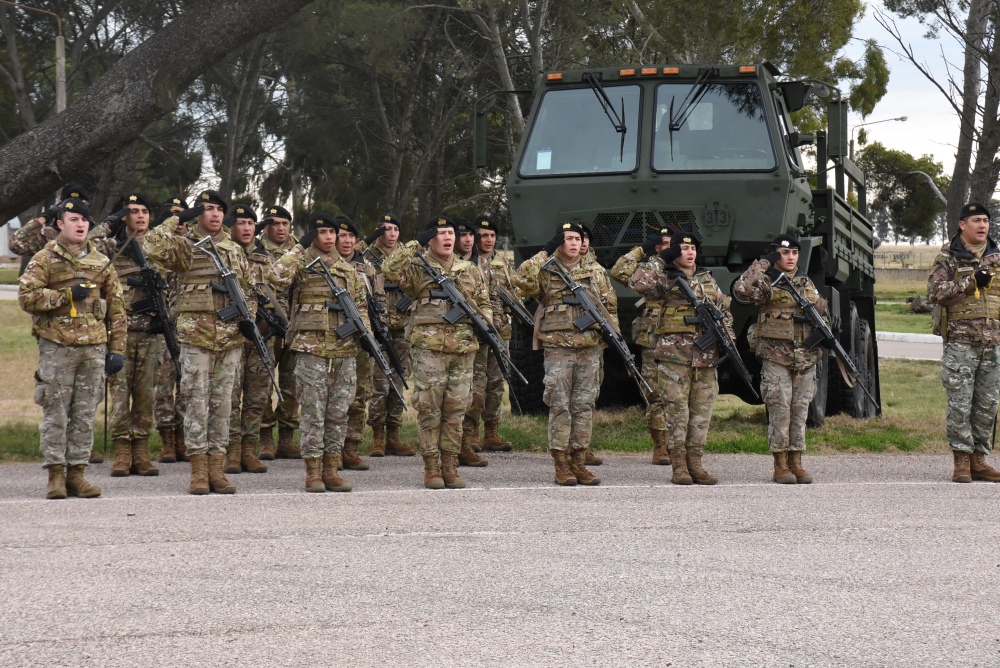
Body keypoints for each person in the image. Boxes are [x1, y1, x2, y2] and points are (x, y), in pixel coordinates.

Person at [145, 190, 257, 495]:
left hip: (229, 339)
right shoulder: (185, 247)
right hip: (196, 338)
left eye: (219, 209)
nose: (215, 214)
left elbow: (249, 290)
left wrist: (249, 320)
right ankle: (197, 472)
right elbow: (150, 245)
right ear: (198, 214)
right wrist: (175, 220)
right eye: (207, 209)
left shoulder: (234, 250)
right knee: (196, 404)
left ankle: (216, 470)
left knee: (223, 407)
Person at [18, 198, 127, 499]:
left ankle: (77, 473)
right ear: (60, 224)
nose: (81, 225)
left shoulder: (101, 261)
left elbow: (117, 309)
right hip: (57, 348)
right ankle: (55, 475)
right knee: (56, 413)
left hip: (93, 350)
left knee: (84, 413)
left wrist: (116, 350)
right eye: (74, 219)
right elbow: (27, 298)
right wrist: (66, 295)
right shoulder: (45, 258)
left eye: (85, 220)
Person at [383, 216, 493, 489]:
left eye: (450, 233)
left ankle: (450, 466)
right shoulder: (418, 267)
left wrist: (486, 321)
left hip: (463, 349)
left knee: (456, 409)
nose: (447, 238)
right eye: (440, 233)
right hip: (429, 350)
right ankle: (432, 468)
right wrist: (415, 243)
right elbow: (389, 268)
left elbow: (484, 301)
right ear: (430, 237)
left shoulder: (469, 269)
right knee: (429, 409)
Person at [268, 212, 369, 492]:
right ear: (313, 234)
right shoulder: (301, 265)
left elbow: (361, 308)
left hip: (343, 351)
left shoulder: (349, 271)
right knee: (313, 412)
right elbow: (274, 275)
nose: (328, 237)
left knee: (338, 413)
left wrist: (367, 337)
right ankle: (313, 472)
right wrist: (299, 247)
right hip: (311, 350)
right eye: (321, 232)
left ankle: (331, 469)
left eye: (331, 232)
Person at [516, 221, 617, 486]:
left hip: (589, 347)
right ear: (559, 242)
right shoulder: (546, 269)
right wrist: (544, 252)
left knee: (584, 406)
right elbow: (521, 279)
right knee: (559, 406)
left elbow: (610, 307)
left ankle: (579, 462)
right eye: (568, 238)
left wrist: (606, 339)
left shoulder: (595, 271)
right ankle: (561, 465)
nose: (574, 243)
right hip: (558, 347)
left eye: (577, 238)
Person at [629, 231, 730, 485]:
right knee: (677, 414)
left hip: (705, 359)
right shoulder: (663, 279)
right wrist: (662, 259)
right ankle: (678, 467)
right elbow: (637, 283)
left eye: (693, 247)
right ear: (675, 252)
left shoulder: (707, 279)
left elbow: (724, 309)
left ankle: (695, 464)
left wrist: (726, 337)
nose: (690, 251)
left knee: (701, 415)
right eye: (684, 248)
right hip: (674, 358)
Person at [733, 234, 828, 484]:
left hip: (804, 358)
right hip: (776, 356)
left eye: (794, 253)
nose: (790, 257)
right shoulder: (767, 283)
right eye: (785, 253)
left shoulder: (807, 284)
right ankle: (780, 465)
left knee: (800, 410)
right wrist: (763, 263)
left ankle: (796, 461)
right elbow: (742, 290)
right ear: (777, 254)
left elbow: (821, 313)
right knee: (779, 408)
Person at [91, 193, 164, 477]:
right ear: (124, 216)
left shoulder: (160, 245)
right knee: (119, 394)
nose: (141, 216)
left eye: (145, 210)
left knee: (145, 394)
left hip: (151, 331)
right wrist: (109, 224)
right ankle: (122, 450)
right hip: (120, 332)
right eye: (133, 211)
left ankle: (141, 451)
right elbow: (88, 244)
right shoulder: (111, 246)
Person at [928, 202, 1000, 483]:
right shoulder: (948, 257)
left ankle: (979, 461)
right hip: (960, 343)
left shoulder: (996, 257)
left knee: (987, 405)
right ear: (962, 225)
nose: (983, 226)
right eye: (976, 221)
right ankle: (961, 461)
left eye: (986, 221)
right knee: (960, 404)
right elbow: (935, 293)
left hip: (992, 344)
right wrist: (971, 282)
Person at [611, 228, 672, 464]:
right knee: (655, 394)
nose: (669, 247)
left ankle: (681, 445)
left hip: (683, 342)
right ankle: (660, 447)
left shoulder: (689, 270)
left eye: (672, 243)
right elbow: (618, 271)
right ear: (657, 248)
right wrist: (641, 250)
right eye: (664, 244)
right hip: (654, 341)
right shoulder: (648, 272)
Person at [358, 214, 416, 457]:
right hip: (379, 327)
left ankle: (394, 434)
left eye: (395, 229)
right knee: (380, 383)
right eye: (385, 229)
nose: (391, 234)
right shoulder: (366, 255)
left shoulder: (409, 256)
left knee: (400, 379)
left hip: (402, 327)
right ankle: (378, 437)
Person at [224, 204, 270, 475]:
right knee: (231, 396)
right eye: (241, 223)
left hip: (261, 337)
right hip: (231, 336)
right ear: (231, 227)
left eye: (250, 223)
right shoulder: (222, 254)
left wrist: (272, 322)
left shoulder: (266, 259)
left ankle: (249, 450)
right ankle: (231, 451)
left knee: (257, 396)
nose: (246, 228)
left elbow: (279, 292)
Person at [255, 205, 300, 460]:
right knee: (263, 383)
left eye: (284, 223)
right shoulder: (256, 250)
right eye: (274, 224)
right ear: (266, 227)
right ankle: (264, 439)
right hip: (267, 327)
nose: (280, 228)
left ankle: (286, 438)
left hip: (295, 325)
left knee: (292, 384)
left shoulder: (301, 250)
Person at [469, 215, 516, 453]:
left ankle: (492, 432)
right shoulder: (468, 261)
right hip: (477, 333)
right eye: (483, 235)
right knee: (476, 384)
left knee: (496, 383)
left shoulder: (503, 263)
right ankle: (472, 433)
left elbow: (512, 293)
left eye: (492, 236)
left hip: (501, 331)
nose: (488, 240)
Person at [335, 215, 376, 471]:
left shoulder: (367, 268)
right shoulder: (324, 265)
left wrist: (374, 334)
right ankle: (333, 448)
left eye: (351, 236)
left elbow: (376, 303)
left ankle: (351, 447)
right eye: (342, 236)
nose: (347, 241)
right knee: (337, 397)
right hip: (335, 338)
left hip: (363, 338)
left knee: (360, 394)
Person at [152, 196, 188, 463]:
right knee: (164, 386)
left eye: (183, 215)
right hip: (163, 329)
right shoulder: (156, 251)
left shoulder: (193, 248)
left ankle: (184, 437)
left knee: (188, 387)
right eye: (173, 215)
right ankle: (167, 440)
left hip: (190, 330)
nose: (179, 220)